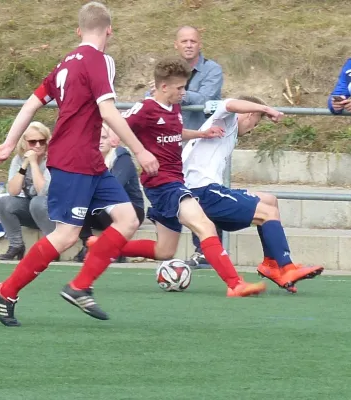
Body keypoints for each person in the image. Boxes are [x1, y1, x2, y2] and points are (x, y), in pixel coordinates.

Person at [0, 1, 159, 327]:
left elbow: (31, 105)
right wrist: (140, 150)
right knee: (65, 236)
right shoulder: (101, 60)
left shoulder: (65, 64)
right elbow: (108, 112)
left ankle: (80, 286)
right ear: (109, 29)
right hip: (73, 159)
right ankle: (5, 291)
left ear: (78, 30)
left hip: (89, 160)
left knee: (127, 218)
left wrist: (10, 143)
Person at [93, 57, 267, 297]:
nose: (184, 92)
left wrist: (202, 134)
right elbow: (117, 122)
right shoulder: (146, 108)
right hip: (164, 183)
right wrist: (123, 142)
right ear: (163, 87)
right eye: (180, 88)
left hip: (172, 182)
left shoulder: (173, 107)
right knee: (205, 226)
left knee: (164, 250)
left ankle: (103, 246)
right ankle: (235, 284)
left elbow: (174, 132)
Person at [181, 97, 324, 292]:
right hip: (204, 192)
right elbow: (231, 103)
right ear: (248, 114)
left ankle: (270, 264)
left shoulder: (226, 129)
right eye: (255, 124)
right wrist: (266, 108)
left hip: (208, 191)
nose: (252, 129)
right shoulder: (227, 119)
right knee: (266, 213)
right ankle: (287, 267)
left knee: (269, 201)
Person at [148, 26, 225, 268]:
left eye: (193, 40)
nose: (189, 45)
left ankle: (206, 251)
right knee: (172, 192)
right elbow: (153, 96)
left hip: (202, 141)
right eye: (184, 41)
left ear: (200, 43)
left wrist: (177, 93)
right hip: (170, 143)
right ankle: (165, 246)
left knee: (203, 194)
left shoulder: (212, 69)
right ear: (176, 45)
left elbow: (205, 99)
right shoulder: (168, 70)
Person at [73, 123, 145, 263]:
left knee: (103, 205)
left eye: (104, 137)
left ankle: (116, 248)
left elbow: (115, 187)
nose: (99, 141)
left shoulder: (122, 158)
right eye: (95, 137)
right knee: (75, 206)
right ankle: (88, 244)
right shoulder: (87, 159)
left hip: (130, 210)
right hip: (101, 211)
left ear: (110, 141)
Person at [0, 122, 55, 260]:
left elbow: (43, 192)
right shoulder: (18, 159)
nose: (38, 145)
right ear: (24, 143)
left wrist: (34, 164)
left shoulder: (53, 159)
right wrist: (24, 165)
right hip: (33, 209)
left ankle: (52, 245)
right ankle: (16, 245)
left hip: (53, 210)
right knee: (3, 203)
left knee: (37, 201)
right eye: (33, 142)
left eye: (42, 141)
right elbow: (13, 191)